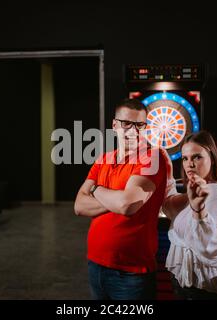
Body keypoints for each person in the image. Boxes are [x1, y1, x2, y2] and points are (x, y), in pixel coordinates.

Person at [74, 98, 167, 300]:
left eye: (139, 125)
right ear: (115, 125)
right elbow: (79, 206)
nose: (133, 131)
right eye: (126, 124)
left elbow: (127, 205)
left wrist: (97, 188)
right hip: (95, 264)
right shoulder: (103, 159)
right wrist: (115, 199)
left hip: (132, 273)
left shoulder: (153, 159)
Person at [162, 130, 217, 300]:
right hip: (184, 286)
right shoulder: (192, 193)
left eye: (197, 157)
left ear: (212, 157)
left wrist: (199, 210)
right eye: (185, 158)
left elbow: (212, 249)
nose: (189, 164)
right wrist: (168, 172)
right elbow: (168, 207)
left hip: (199, 291)